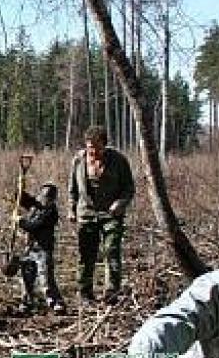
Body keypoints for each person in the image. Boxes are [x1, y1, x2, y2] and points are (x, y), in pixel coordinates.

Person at [68, 125, 135, 304]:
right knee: (85, 254)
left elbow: (129, 188)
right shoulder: (78, 160)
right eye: (89, 147)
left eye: (96, 148)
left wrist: (119, 204)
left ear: (104, 145)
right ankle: (84, 293)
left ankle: (111, 292)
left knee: (111, 251)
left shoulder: (119, 160)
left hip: (111, 214)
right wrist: (71, 209)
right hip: (86, 213)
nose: (92, 151)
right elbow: (73, 189)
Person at [15, 183, 66, 314]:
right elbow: (22, 199)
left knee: (46, 278)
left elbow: (33, 226)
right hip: (30, 248)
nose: (45, 199)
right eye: (44, 195)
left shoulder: (50, 212)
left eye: (49, 197)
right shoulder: (37, 205)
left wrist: (20, 221)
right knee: (27, 276)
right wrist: (20, 189)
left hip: (44, 249)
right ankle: (26, 302)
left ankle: (56, 302)